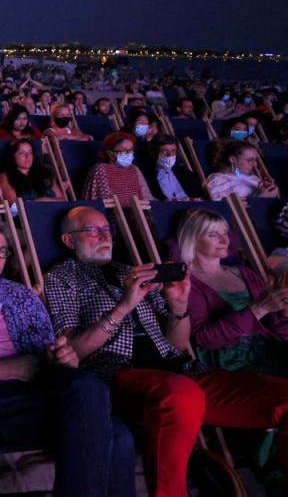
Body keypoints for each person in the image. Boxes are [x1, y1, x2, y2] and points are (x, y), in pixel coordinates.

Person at [45, 206, 288, 497]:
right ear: (69, 240)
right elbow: (74, 351)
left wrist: (178, 308)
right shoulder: (61, 278)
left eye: (107, 229)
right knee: (182, 394)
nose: (105, 236)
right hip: (116, 372)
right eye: (92, 230)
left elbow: (176, 344)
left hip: (177, 367)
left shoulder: (131, 271)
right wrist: (124, 305)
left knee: (282, 397)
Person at [0, 220, 135, 497]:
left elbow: (46, 348)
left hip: (39, 386)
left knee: (89, 386)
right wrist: (8, 367)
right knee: (116, 435)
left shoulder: (21, 295)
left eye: (2, 252)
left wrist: (60, 356)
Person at [179, 209, 288, 375]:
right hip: (231, 362)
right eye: (213, 234)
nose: (224, 240)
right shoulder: (189, 284)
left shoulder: (244, 272)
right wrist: (259, 309)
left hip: (268, 350)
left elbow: (273, 327)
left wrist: (283, 314)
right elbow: (203, 339)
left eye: (225, 232)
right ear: (192, 240)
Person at [83, 132, 154, 204]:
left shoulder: (134, 169)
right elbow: (106, 200)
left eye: (131, 150)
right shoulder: (101, 169)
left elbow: (147, 197)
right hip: (114, 213)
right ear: (110, 153)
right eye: (125, 151)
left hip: (141, 211)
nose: (129, 154)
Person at [206, 140, 280, 200]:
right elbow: (222, 208)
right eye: (249, 160)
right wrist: (261, 198)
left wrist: (265, 190)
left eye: (255, 160)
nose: (254, 164)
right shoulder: (218, 179)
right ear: (233, 159)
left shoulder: (254, 179)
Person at [0, 137, 63, 204]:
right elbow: (14, 204)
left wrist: (46, 201)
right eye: (22, 153)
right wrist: (38, 202)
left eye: (30, 152)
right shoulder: (6, 176)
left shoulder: (45, 173)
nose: (27, 156)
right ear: (13, 156)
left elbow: (63, 199)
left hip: (55, 210)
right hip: (31, 213)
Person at [140, 134, 204, 200]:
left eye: (173, 151)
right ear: (153, 153)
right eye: (164, 151)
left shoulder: (185, 172)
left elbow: (199, 195)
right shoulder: (147, 177)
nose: (170, 155)